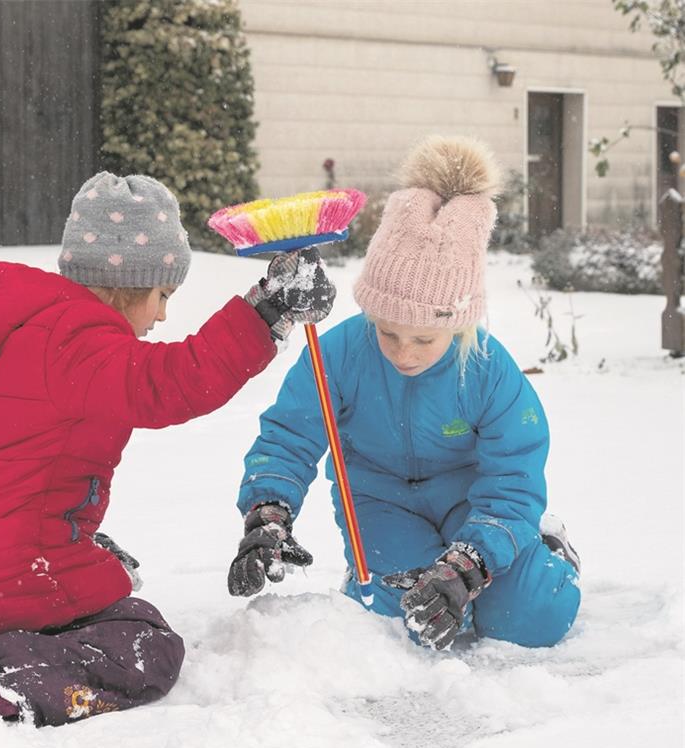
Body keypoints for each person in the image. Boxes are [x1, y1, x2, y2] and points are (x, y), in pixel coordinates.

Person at [0, 171, 337, 746]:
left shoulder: (33, 327)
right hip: (7, 569)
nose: (161, 316)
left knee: (112, 565)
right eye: (162, 296)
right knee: (148, 646)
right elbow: (173, 383)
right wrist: (266, 314)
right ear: (126, 283)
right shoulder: (77, 339)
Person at [227, 137, 581, 651]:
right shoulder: (341, 352)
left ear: (458, 326)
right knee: (406, 625)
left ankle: (548, 550)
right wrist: (269, 513)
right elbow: (289, 437)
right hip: (380, 502)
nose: (404, 352)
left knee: (529, 619)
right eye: (388, 332)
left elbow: (514, 475)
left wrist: (468, 565)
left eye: (424, 339)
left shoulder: (486, 367)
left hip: (472, 501)